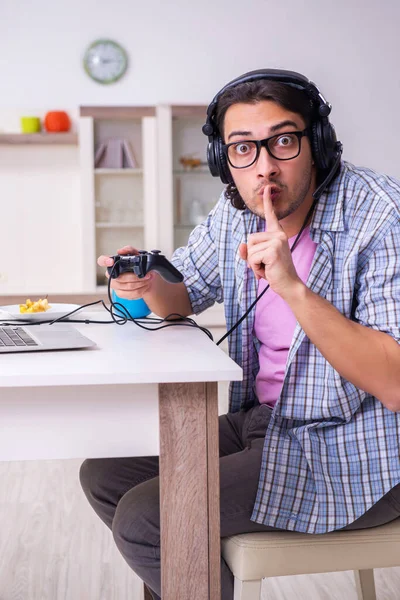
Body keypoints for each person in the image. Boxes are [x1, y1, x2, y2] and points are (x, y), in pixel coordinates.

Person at [79, 69, 400, 600]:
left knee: (147, 519)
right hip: (266, 423)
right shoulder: (237, 213)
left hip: (359, 448)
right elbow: (183, 293)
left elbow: (394, 381)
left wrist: (294, 289)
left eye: (283, 141)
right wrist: (145, 281)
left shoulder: (381, 215)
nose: (265, 167)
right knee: (107, 474)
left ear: (317, 142)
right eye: (243, 149)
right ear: (223, 160)